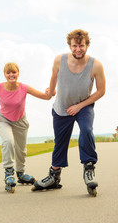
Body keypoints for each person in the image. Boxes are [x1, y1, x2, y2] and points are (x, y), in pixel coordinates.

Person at [33, 29, 106, 194]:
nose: (78, 49)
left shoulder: (96, 65)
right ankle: (53, 176)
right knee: (60, 142)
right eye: (75, 46)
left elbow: (101, 91)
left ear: (87, 45)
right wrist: (51, 91)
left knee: (86, 130)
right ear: (70, 46)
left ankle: (89, 168)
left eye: (81, 45)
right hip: (61, 107)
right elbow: (53, 76)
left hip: (83, 106)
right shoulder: (60, 60)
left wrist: (80, 106)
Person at [0, 62, 53, 192]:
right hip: (3, 120)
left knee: (21, 150)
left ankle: (21, 174)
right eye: (8, 73)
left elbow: (45, 97)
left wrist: (51, 91)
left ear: (18, 74)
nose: (11, 75)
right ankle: (9, 173)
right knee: (8, 141)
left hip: (20, 121)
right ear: (5, 75)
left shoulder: (24, 88)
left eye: (14, 72)